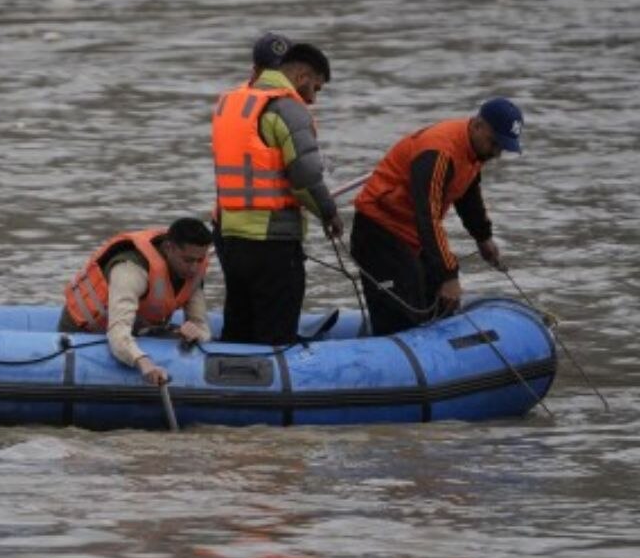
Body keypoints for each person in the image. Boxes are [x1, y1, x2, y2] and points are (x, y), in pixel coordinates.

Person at [349, 97, 523, 336]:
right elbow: (427, 217)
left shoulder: (474, 152)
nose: (496, 153)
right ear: (478, 125)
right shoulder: (439, 152)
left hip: (412, 236)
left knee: (439, 301)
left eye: (502, 148)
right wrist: (449, 275)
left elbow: (468, 196)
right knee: (403, 314)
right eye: (494, 144)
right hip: (379, 231)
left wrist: (483, 238)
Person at [211, 42, 343, 345]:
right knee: (276, 335)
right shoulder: (288, 108)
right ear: (302, 76)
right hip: (273, 241)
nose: (313, 98)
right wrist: (329, 213)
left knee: (239, 327)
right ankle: (277, 387)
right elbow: (306, 176)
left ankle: (232, 386)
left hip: (230, 236)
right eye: (316, 88)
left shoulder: (231, 103)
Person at [59, 218, 213, 385]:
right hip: (84, 332)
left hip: (138, 329)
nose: (194, 268)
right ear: (169, 248)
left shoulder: (193, 273)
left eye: (200, 260)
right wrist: (144, 363)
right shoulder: (130, 270)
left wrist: (197, 335)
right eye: (188, 260)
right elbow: (118, 332)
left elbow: (202, 326)